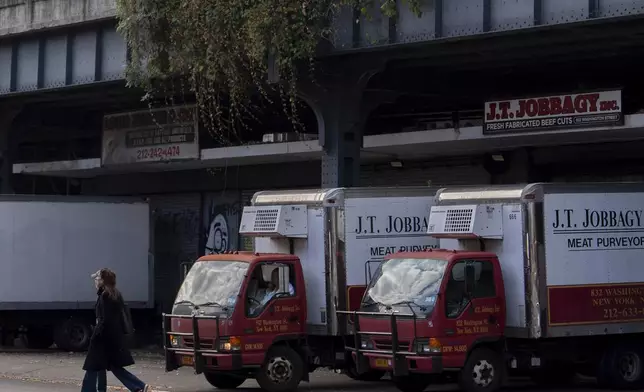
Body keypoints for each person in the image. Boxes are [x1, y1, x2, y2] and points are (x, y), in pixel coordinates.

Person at [81, 268, 151, 392]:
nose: (95, 282)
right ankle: (139, 386)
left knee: (93, 366)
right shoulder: (113, 294)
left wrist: (95, 336)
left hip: (104, 339)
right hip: (111, 338)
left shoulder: (106, 296)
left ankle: (139, 386)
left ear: (102, 281)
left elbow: (105, 320)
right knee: (106, 366)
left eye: (97, 279)